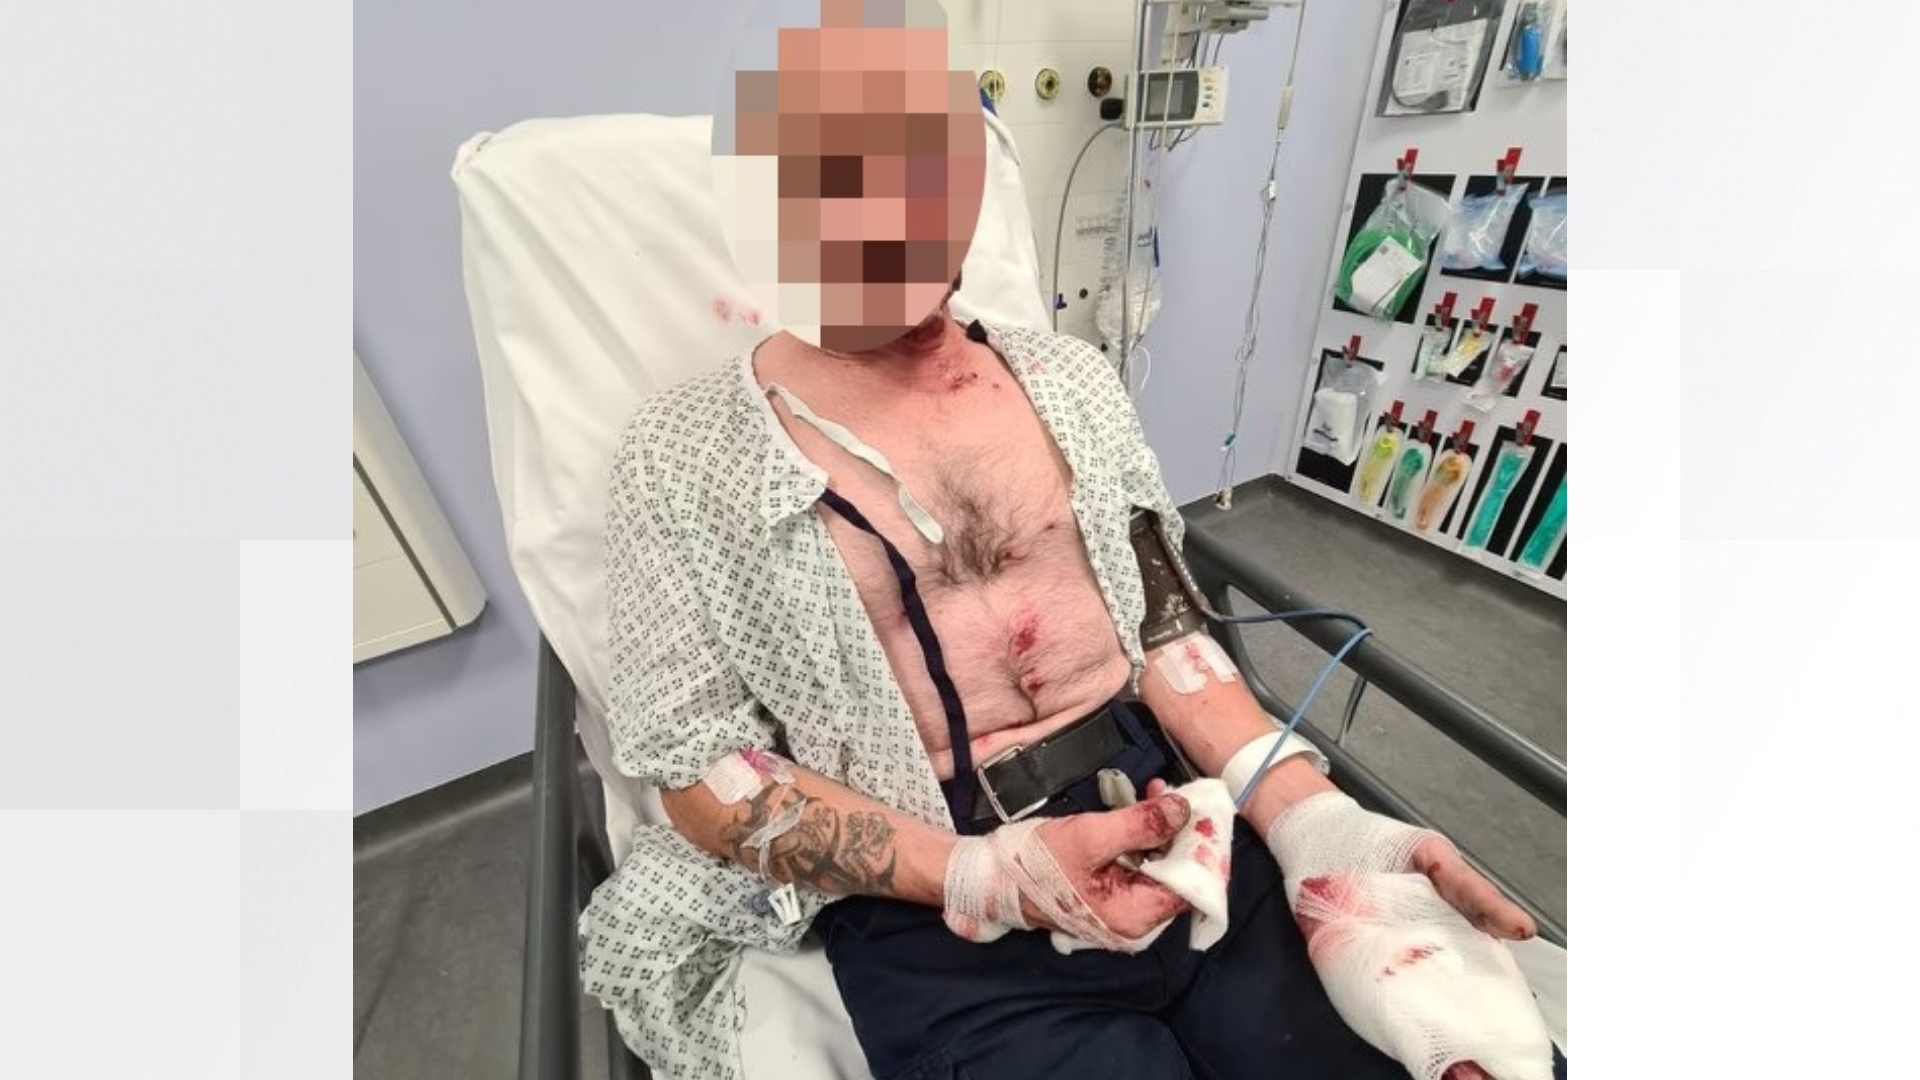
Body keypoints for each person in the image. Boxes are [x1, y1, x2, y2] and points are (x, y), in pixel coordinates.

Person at [580, 4, 1564, 1079]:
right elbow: (699, 770)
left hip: (1171, 807)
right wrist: (982, 877)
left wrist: (1317, 822)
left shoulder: (1071, 382)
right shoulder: (688, 454)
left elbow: (1170, 636)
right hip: (926, 879)